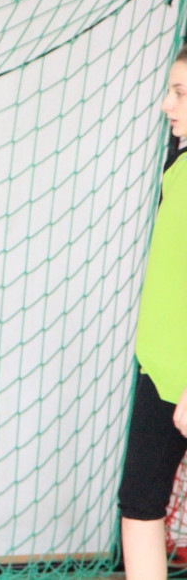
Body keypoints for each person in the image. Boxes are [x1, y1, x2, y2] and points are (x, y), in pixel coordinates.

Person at [117, 45, 187, 579]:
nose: (167, 104)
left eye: (180, 93)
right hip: (160, 369)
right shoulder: (179, 168)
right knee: (139, 502)